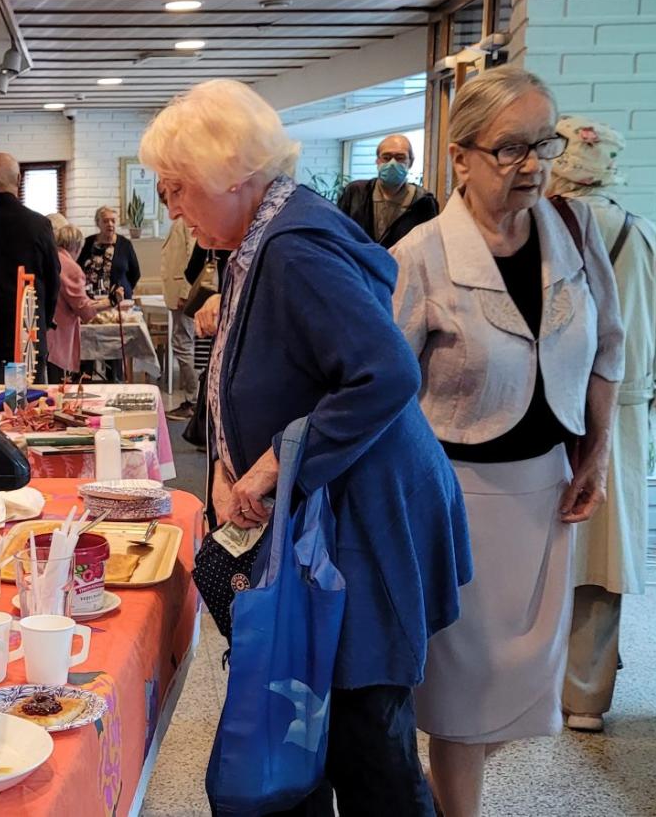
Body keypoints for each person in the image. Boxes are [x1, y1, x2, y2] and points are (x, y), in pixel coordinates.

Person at [141, 79, 471, 817]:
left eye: (176, 189)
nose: (171, 209)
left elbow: (385, 373)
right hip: (335, 510)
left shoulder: (292, 248)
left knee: (365, 736)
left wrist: (269, 463)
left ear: (229, 174)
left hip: (364, 519)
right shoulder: (258, 235)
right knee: (312, 722)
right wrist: (228, 461)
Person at [390, 67, 624, 817]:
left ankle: (426, 801)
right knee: (463, 693)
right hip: (458, 500)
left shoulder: (577, 233)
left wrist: (596, 454)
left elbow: (608, 351)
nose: (533, 165)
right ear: (459, 156)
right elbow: (386, 390)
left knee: (524, 682)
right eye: (510, 148)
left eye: (543, 144)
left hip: (549, 490)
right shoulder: (421, 253)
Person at [546, 115, 656, 733]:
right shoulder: (644, 235)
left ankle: (524, 683)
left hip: (538, 406)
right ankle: (585, 700)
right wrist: (637, 385)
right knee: (602, 554)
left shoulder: (531, 228)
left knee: (536, 543)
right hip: (620, 416)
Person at [0, 152, 60, 383]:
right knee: (27, 401)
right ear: (18, 180)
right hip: (28, 326)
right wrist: (44, 319)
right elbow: (53, 276)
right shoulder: (38, 224)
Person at [336, 133, 439, 249]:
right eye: (386, 157)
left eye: (400, 158)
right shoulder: (355, 193)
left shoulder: (423, 202)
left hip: (402, 266)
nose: (392, 163)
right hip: (359, 265)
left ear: (411, 162)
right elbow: (337, 232)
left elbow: (430, 246)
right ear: (377, 161)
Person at [44, 213, 112, 380]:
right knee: (57, 387)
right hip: (58, 336)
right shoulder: (71, 267)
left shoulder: (51, 258)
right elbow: (84, 310)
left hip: (45, 332)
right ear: (75, 246)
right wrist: (110, 302)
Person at [159, 218, 203, 418]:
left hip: (182, 294)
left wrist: (186, 292)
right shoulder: (180, 221)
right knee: (181, 343)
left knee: (183, 344)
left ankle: (194, 399)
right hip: (177, 293)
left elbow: (193, 258)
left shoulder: (187, 221)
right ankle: (194, 399)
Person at [78, 205, 141, 301]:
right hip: (91, 300)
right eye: (105, 221)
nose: (110, 224)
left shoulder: (125, 244)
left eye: (113, 221)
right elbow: (78, 269)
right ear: (98, 223)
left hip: (119, 300)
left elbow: (135, 273)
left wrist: (124, 288)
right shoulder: (87, 243)